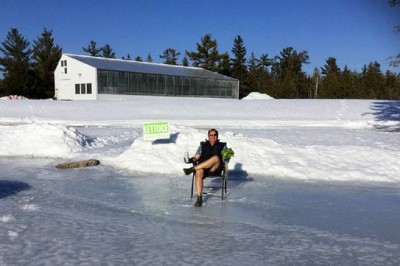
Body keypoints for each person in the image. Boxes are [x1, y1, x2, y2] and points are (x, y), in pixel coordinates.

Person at [183, 129, 226, 207]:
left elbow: (226, 159)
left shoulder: (222, 146)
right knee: (199, 171)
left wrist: (226, 157)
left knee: (216, 158)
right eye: (211, 135)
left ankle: (193, 169)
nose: (213, 136)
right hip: (204, 169)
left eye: (214, 135)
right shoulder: (203, 146)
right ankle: (199, 199)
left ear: (217, 136)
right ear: (208, 136)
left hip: (215, 169)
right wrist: (188, 159)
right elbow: (196, 157)